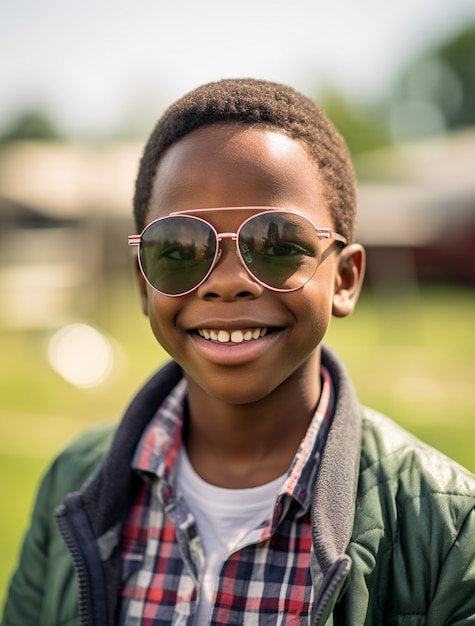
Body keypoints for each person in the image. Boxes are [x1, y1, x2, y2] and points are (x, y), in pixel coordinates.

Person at [2, 78, 474, 626]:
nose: (227, 283)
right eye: (179, 249)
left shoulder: (449, 530)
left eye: (277, 244)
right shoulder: (72, 483)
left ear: (344, 278)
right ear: (142, 283)